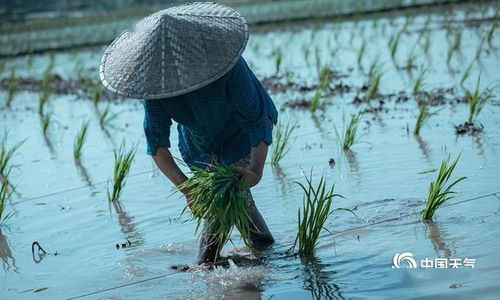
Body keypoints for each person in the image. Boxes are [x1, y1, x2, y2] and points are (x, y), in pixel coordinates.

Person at [99, 2, 277, 265]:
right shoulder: (157, 87)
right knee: (232, 194)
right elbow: (157, 145)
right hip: (198, 142)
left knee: (227, 194)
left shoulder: (227, 65)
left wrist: (256, 167)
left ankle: (206, 264)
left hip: (243, 133)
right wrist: (187, 188)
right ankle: (265, 249)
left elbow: (254, 119)